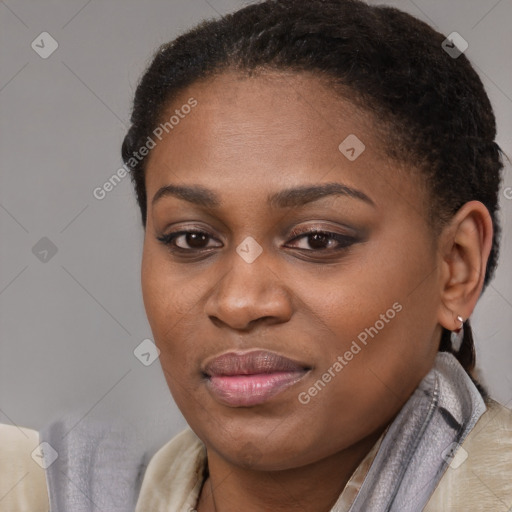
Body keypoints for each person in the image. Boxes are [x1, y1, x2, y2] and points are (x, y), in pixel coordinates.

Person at [1, 0, 511, 510]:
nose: (239, 303)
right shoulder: (39, 491)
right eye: (192, 239)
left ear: (456, 267)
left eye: (317, 239)